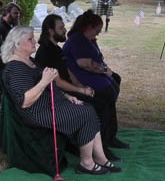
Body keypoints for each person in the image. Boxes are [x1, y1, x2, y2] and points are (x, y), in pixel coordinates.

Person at [2, 26, 121, 175]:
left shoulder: (29, 61)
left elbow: (49, 86)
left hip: (49, 103)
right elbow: (24, 101)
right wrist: (44, 81)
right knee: (86, 113)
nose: (35, 42)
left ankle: (100, 158)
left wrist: (67, 96)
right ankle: (87, 163)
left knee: (88, 109)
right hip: (37, 112)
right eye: (30, 39)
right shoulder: (15, 69)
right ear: (17, 44)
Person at [35, 14, 121, 161]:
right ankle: (99, 149)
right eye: (61, 28)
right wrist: (80, 90)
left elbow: (68, 72)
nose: (64, 30)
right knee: (99, 106)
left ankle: (104, 142)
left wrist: (81, 86)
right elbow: (57, 82)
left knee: (102, 101)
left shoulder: (55, 49)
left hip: (67, 89)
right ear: (50, 31)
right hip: (57, 95)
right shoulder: (46, 52)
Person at [62, 10, 129, 150]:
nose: (98, 33)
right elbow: (84, 63)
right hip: (86, 82)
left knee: (110, 103)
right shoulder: (77, 40)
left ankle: (110, 137)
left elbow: (97, 58)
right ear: (88, 27)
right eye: (97, 30)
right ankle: (102, 144)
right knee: (104, 107)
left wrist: (107, 72)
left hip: (97, 80)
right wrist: (105, 70)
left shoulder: (88, 40)